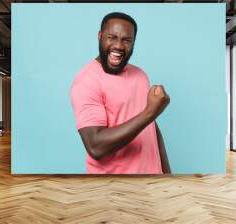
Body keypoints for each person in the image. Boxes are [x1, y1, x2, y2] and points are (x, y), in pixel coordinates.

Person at [70, 12, 171, 174]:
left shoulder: (140, 75)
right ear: (100, 36)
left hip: (151, 182)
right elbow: (95, 146)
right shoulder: (87, 80)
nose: (118, 45)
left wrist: (167, 174)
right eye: (112, 37)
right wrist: (151, 112)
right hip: (113, 189)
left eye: (126, 40)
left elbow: (151, 128)